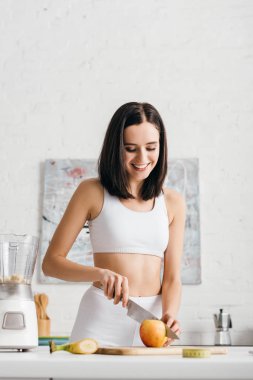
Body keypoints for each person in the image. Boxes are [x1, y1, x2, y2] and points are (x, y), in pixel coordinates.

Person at [42, 102, 186, 347]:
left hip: (152, 326)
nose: (142, 158)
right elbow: (51, 263)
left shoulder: (173, 202)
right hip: (100, 321)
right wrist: (99, 273)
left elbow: (172, 278)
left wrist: (170, 313)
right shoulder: (91, 191)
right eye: (131, 149)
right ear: (115, 148)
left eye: (151, 148)